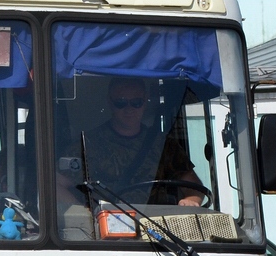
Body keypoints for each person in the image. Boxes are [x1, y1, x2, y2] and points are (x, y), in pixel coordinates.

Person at [81, 78, 203, 206]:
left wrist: (191, 201)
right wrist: (86, 214)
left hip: (156, 223)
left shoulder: (164, 145)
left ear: (145, 102)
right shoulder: (89, 143)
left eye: (136, 102)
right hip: (108, 223)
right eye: (121, 102)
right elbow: (59, 184)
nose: (129, 109)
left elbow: (194, 186)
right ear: (110, 102)